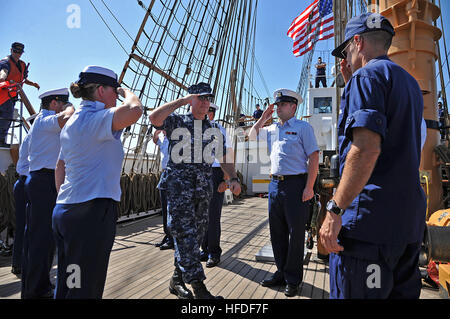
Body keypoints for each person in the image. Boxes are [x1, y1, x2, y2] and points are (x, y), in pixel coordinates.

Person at [320, 13, 426, 299]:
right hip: (406, 226)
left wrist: (335, 211)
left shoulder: (366, 77)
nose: (345, 58)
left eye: (346, 51)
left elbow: (366, 148)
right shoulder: (410, 84)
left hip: (368, 229)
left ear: (357, 42)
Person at [52, 66, 142, 299]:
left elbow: (59, 166)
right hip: (91, 214)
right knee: (85, 288)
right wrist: (126, 91)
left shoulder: (71, 122)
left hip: (64, 211)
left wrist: (66, 199)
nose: (116, 96)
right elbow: (135, 110)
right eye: (113, 90)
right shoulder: (97, 119)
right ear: (101, 90)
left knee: (69, 281)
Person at [149, 82, 241, 299]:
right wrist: (182, 100)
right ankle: (199, 288)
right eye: (200, 98)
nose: (205, 103)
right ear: (191, 100)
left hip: (202, 191)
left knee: (195, 238)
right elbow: (154, 118)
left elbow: (224, 157)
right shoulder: (177, 121)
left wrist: (233, 177)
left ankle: (176, 280)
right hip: (179, 190)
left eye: (207, 98)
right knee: (184, 236)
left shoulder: (212, 130)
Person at [249, 88, 319, 297]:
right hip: (274, 185)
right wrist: (262, 118)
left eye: (281, 104)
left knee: (296, 234)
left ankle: (294, 279)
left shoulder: (303, 128)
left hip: (296, 185)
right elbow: (252, 136)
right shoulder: (271, 129)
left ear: (293, 107)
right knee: (276, 232)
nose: (277, 107)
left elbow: (314, 157)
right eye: (277, 105)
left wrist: (309, 187)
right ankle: (281, 272)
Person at [22, 88, 74, 299]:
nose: (65, 106)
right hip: (43, 182)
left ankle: (40, 286)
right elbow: (67, 117)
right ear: (54, 104)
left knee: (44, 240)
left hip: (46, 181)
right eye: (63, 103)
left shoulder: (44, 122)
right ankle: (34, 291)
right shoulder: (44, 121)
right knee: (40, 241)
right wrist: (71, 108)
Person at [200, 102, 233, 268]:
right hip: (199, 174)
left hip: (215, 174)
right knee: (201, 215)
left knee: (213, 216)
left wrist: (225, 179)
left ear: (212, 113)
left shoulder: (220, 130)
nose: (207, 114)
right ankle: (204, 249)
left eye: (209, 112)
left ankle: (213, 252)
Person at [0, 42, 40, 147]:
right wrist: (2, 78)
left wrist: (33, 84)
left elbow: (23, 79)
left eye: (20, 52)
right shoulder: (5, 62)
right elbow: (3, 72)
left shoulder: (22, 65)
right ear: (11, 50)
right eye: (15, 51)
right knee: (6, 115)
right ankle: (0, 141)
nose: (17, 54)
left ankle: (2, 139)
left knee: (8, 116)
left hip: (12, 96)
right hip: (3, 96)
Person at [11, 131, 31, 275]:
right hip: (29, 184)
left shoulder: (29, 137)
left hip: (21, 182)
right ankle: (22, 263)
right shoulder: (38, 137)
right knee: (29, 226)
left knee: (21, 225)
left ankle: (17, 263)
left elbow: (13, 149)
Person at [153, 129, 174, 250]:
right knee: (165, 209)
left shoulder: (176, 138)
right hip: (164, 174)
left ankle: (172, 238)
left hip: (173, 174)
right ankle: (168, 236)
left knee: (171, 209)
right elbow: (155, 141)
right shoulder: (162, 139)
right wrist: (156, 132)